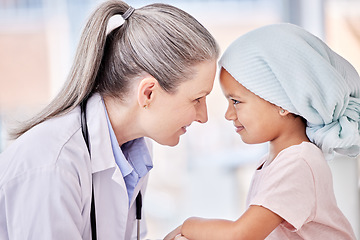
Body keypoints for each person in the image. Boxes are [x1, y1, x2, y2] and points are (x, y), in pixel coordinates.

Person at [0, 0, 219, 239]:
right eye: (197, 99)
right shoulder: (52, 164)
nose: (203, 117)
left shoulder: (134, 151)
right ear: (148, 93)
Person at [165, 23, 358, 240]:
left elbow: (241, 235)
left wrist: (187, 226)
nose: (228, 114)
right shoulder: (279, 161)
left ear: (282, 103)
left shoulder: (297, 163)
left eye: (236, 101)